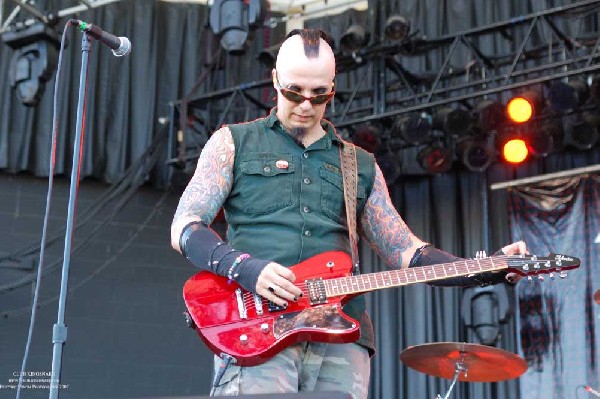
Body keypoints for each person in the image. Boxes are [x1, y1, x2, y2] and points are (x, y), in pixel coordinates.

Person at [170, 28, 526, 398]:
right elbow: (185, 226)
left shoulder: (359, 164)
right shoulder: (234, 142)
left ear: (332, 89)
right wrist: (244, 267)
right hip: (256, 325)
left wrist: (485, 269)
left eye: (318, 95)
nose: (306, 105)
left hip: (342, 332)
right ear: (275, 80)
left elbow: (406, 252)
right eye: (294, 92)